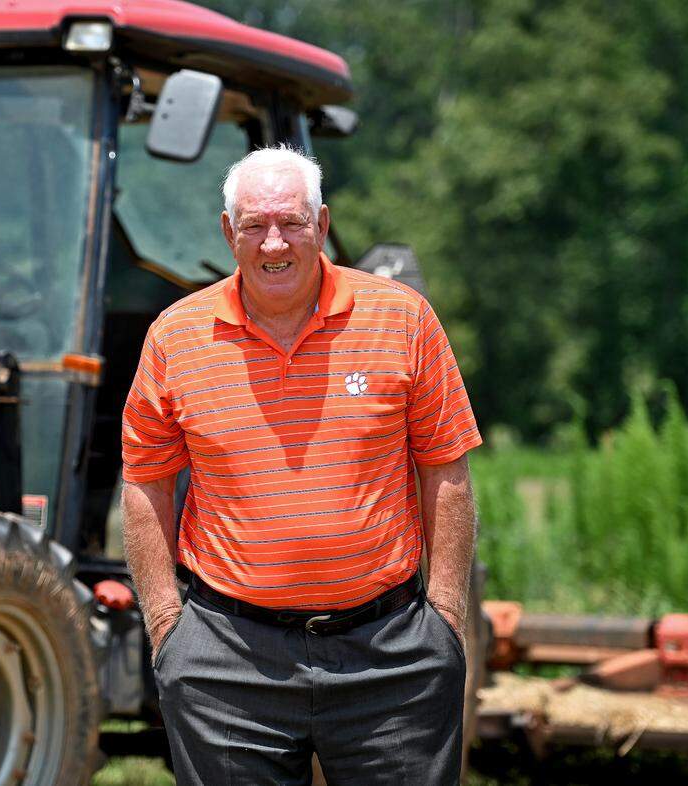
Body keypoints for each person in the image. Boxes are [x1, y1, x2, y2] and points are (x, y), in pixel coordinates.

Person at [120, 145, 481, 786]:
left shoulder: (402, 319)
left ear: (322, 223)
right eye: (254, 225)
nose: (273, 242)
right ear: (229, 233)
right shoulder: (175, 337)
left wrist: (446, 621)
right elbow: (145, 484)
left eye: (291, 222)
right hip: (227, 659)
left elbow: (445, 470)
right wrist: (169, 631)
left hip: (389, 652)